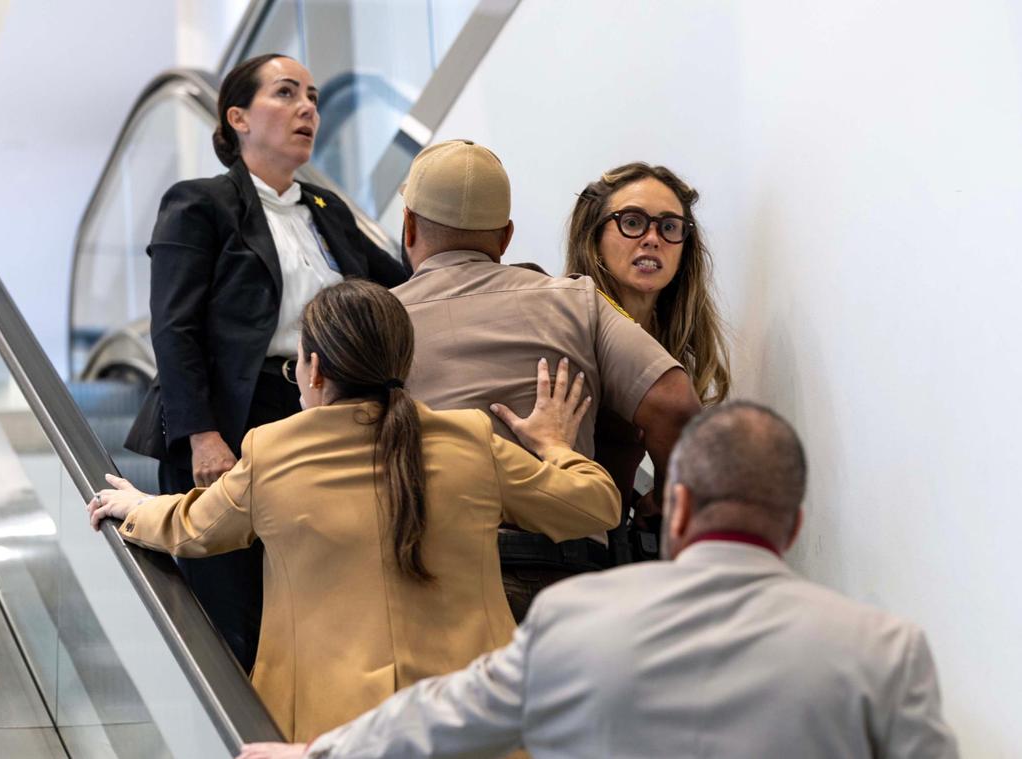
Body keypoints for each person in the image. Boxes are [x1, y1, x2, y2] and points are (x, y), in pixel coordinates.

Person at [240, 402, 959, 759]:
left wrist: (314, 751)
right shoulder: (886, 651)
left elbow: (439, 716)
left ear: (675, 505)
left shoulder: (576, 619)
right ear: (794, 524)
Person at [93, 279, 621, 744]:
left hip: (328, 733)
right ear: (402, 362)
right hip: (469, 725)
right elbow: (596, 507)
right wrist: (555, 444)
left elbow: (194, 528)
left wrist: (136, 507)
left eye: (294, 362)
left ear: (315, 368)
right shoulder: (470, 440)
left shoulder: (272, 452)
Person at [122, 54, 406, 669]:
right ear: (238, 117)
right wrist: (202, 435)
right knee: (237, 615)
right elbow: (174, 329)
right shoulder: (200, 204)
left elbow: (407, 292)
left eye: (312, 96)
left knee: (314, 610)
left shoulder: (331, 215)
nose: (309, 108)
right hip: (233, 418)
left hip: (322, 417)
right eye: (286, 94)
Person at [391, 139, 701, 619]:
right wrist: (662, 494)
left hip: (436, 573)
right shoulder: (575, 301)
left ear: (408, 226)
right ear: (506, 237)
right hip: (569, 572)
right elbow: (675, 403)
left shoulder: (381, 319)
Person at [565, 162, 733, 562]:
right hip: (556, 552)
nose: (652, 239)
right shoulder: (567, 324)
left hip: (605, 554)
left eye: (669, 227)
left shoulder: (664, 345)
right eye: (633, 222)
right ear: (595, 235)